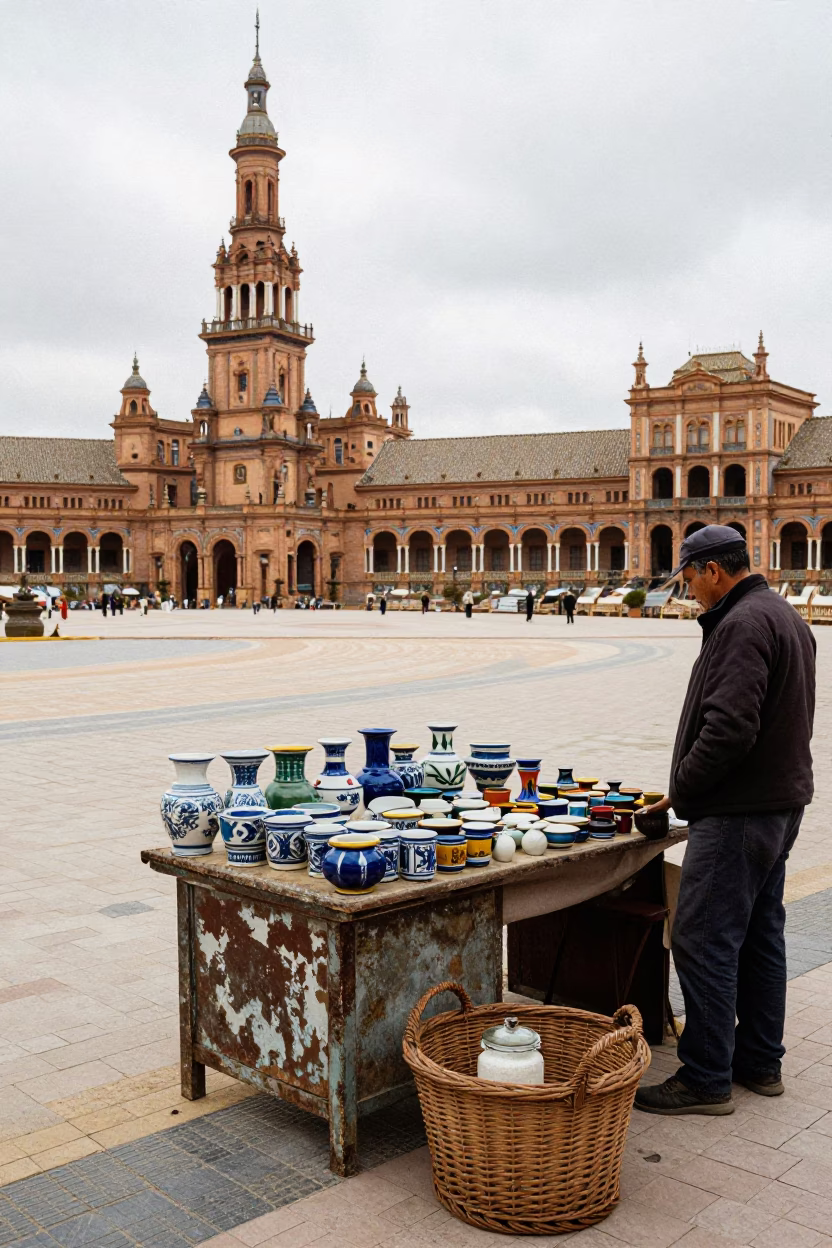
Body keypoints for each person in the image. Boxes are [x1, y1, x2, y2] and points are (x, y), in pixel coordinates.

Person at [635, 525, 816, 1117]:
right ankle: (760, 1062)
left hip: (738, 811)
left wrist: (683, 786)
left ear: (713, 569)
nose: (688, 590)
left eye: (688, 577)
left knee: (703, 936)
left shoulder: (740, 624)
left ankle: (707, 1075)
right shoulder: (782, 614)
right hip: (778, 805)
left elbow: (731, 728)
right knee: (761, 934)